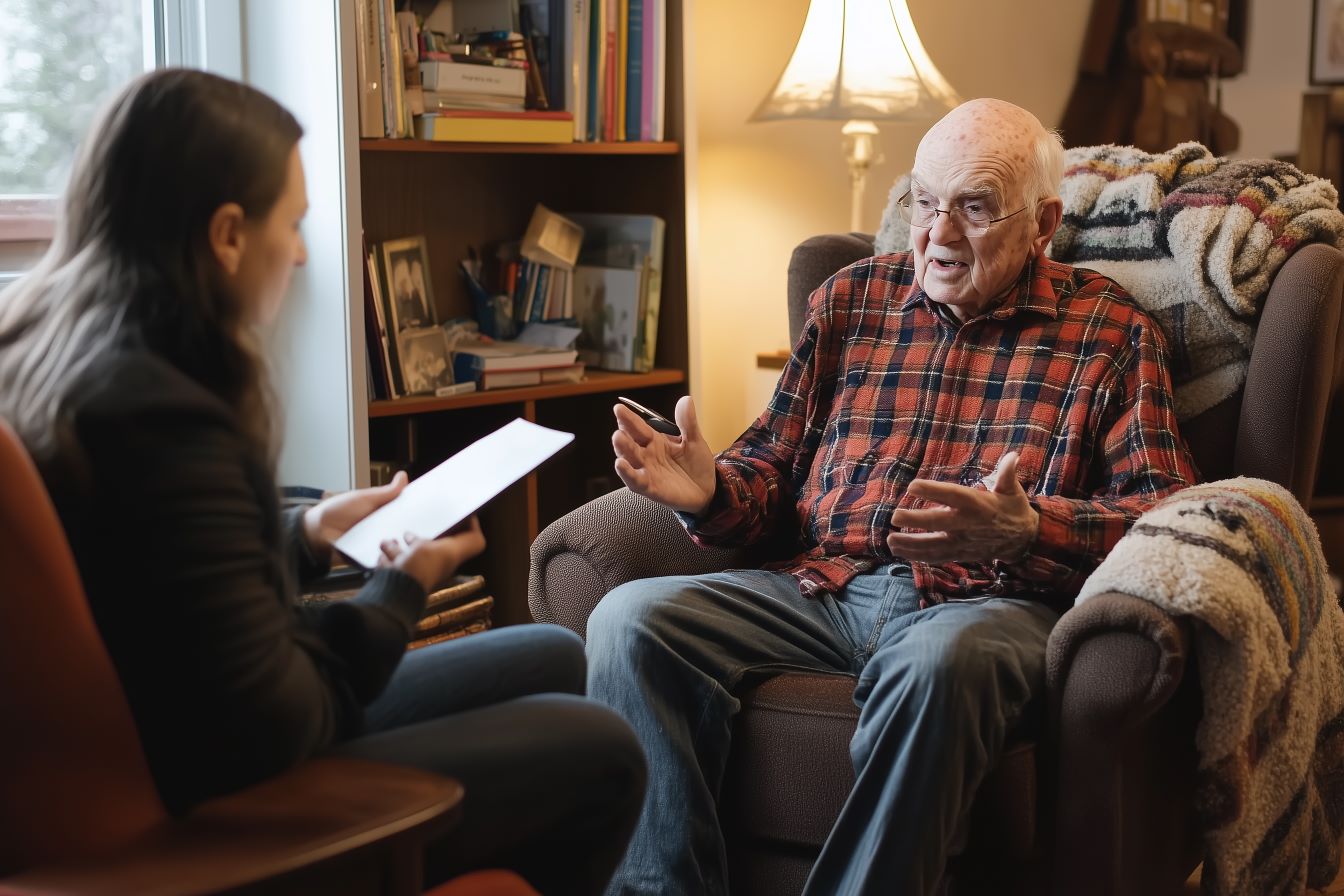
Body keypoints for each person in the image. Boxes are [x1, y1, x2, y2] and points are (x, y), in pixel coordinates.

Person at [0, 68, 644, 894]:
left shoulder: (45, 351)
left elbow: (145, 567)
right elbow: (275, 726)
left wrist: (305, 532)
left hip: (181, 718)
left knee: (552, 653)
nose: (302, 252)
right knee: (601, 749)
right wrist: (402, 589)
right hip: (220, 782)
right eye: (293, 223)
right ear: (227, 234)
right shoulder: (164, 412)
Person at [586, 97, 1199, 896]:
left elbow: (1168, 520)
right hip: (821, 590)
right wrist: (708, 493)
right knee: (629, 620)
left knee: (939, 661)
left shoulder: (1110, 334)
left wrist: (1027, 530)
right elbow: (769, 467)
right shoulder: (851, 300)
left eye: (974, 209)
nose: (939, 235)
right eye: (925, 202)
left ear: (1042, 223)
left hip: (985, 606)